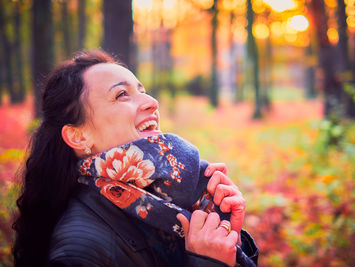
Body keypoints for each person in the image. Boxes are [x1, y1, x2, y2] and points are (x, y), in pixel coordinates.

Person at [12, 50, 258, 267]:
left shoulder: (168, 200)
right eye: (121, 95)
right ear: (78, 136)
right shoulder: (81, 253)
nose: (152, 102)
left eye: (143, 91)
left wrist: (227, 238)